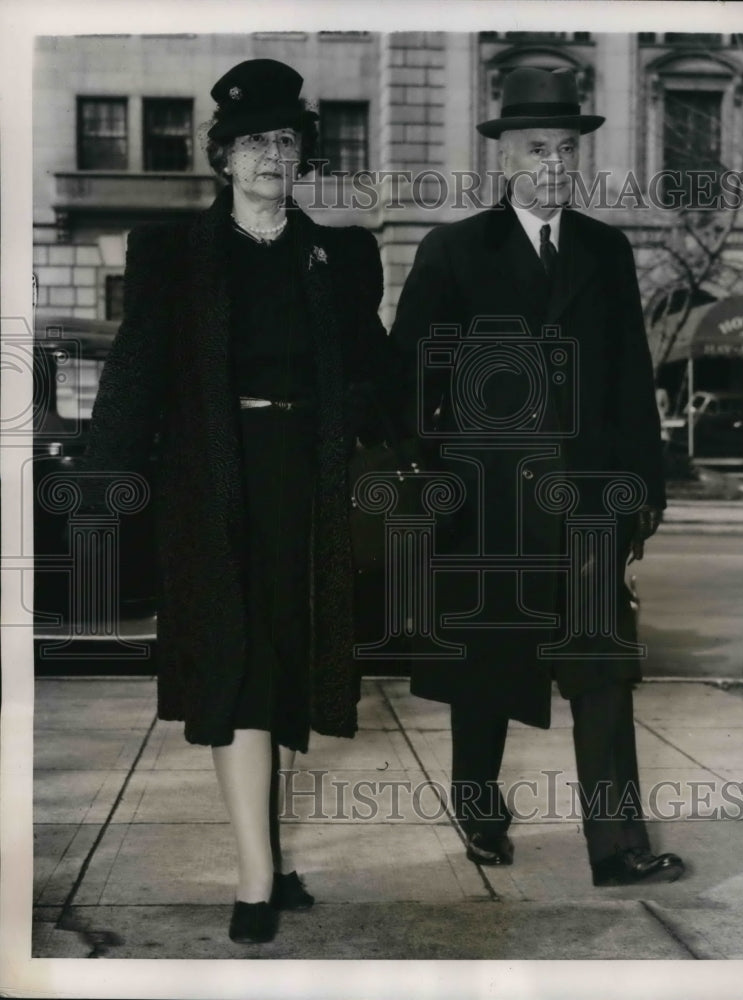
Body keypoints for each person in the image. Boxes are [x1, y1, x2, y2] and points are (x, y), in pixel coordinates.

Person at [84, 59, 393, 943]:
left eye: (284, 141)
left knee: (290, 662)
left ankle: (275, 855)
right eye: (252, 142)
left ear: (303, 156)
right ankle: (256, 875)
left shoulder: (341, 254)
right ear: (222, 157)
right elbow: (135, 371)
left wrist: (405, 441)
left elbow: (372, 366)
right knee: (240, 664)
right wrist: (104, 483)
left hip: (311, 484)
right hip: (213, 486)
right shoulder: (173, 254)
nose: (269, 156)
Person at [389, 67, 685, 886]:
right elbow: (412, 372)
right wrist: (438, 470)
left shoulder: (606, 248)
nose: (553, 164)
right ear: (504, 160)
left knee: (603, 673)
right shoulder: (453, 250)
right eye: (535, 149)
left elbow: (631, 378)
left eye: (564, 148)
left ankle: (617, 848)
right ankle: (479, 811)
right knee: (487, 677)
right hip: (489, 510)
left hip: (590, 504)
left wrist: (645, 491)